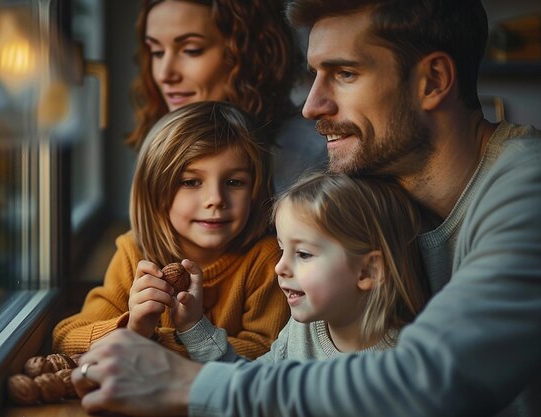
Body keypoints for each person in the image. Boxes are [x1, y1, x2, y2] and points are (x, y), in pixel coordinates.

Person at [71, 0, 541, 416]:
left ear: (432, 80)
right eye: (316, 75)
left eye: (344, 73)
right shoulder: (374, 196)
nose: (312, 105)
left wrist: (183, 383)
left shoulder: (528, 188)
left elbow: (429, 379)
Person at [53, 101, 289, 359]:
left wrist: (180, 332)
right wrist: (134, 328)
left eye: (234, 182)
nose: (215, 199)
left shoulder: (266, 260)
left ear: (256, 192)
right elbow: (66, 338)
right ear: (155, 191)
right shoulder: (135, 254)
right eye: (191, 182)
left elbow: (266, 354)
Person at [175, 172, 429, 363]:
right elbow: (246, 388)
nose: (279, 267)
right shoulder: (301, 333)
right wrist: (193, 325)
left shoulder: (405, 365)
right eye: (281, 249)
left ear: (369, 271)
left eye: (304, 254)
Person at [126, 0, 327, 192]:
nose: (164, 75)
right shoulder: (160, 145)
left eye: (191, 50)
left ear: (247, 54)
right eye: (157, 52)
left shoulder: (309, 154)